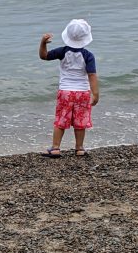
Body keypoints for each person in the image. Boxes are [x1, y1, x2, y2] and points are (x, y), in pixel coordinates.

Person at [39, 19, 99, 158]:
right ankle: (79, 148)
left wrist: (43, 43)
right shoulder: (88, 55)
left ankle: (55, 148)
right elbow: (92, 75)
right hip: (83, 92)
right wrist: (95, 94)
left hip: (65, 92)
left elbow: (44, 56)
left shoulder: (62, 51)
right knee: (80, 122)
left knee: (61, 120)